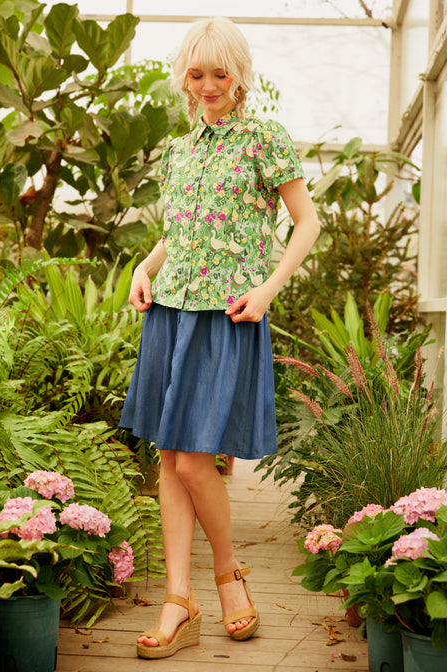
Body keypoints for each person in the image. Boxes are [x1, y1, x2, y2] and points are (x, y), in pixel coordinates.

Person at [119, 16, 320, 660]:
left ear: (239, 75)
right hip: (169, 312)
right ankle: (179, 599)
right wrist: (144, 268)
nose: (207, 85)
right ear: (184, 77)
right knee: (168, 460)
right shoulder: (179, 151)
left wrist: (267, 291)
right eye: (196, 74)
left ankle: (229, 575)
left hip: (227, 314)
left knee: (193, 461)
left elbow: (307, 222)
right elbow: (181, 230)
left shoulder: (264, 139)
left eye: (219, 73)